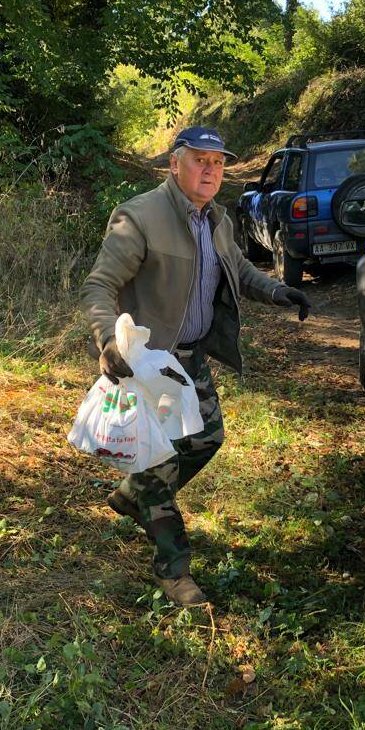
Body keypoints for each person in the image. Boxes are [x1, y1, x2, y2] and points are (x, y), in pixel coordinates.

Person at [80, 126, 310, 606]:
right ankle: (173, 569)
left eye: (218, 162)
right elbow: (98, 286)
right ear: (174, 164)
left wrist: (276, 290)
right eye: (199, 160)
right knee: (158, 464)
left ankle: (132, 494)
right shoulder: (140, 217)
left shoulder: (217, 220)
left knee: (207, 439)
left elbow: (238, 269)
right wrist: (109, 340)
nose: (210, 170)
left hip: (190, 361)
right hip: (146, 364)